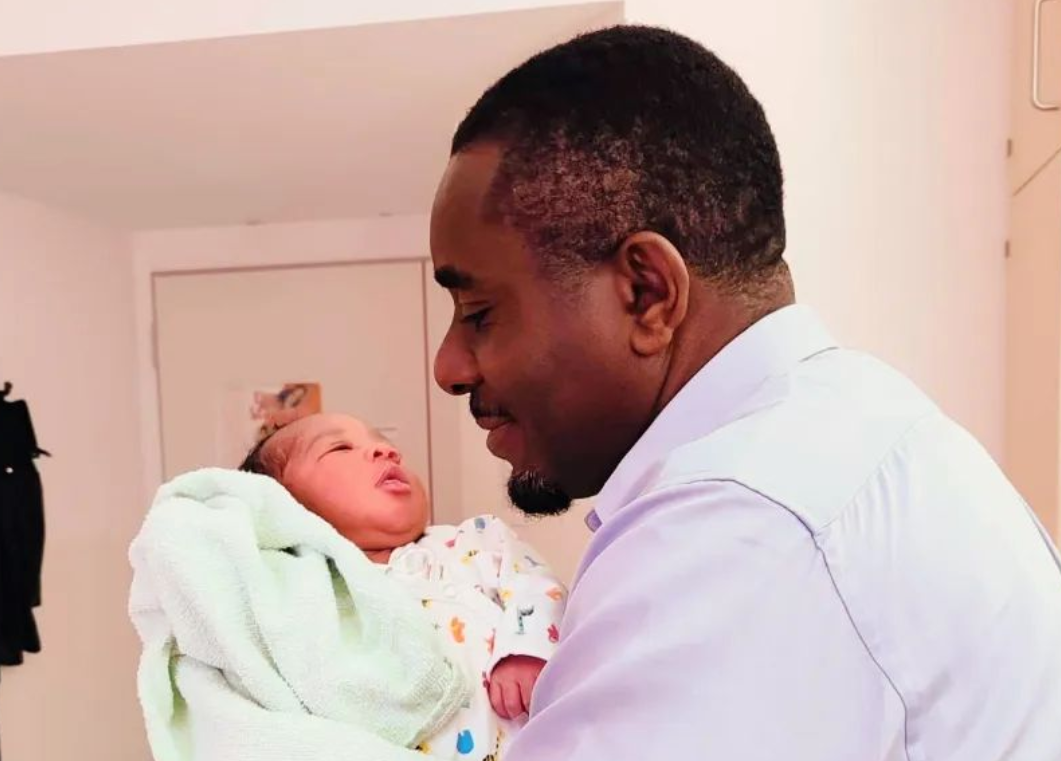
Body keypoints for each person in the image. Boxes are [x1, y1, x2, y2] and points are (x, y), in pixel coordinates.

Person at [429, 24, 1061, 761]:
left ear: (647, 293)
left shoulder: (739, 526)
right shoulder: (859, 433)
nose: (448, 366)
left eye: (479, 313)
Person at [240, 412, 566, 760]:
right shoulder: (309, 588)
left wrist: (525, 651)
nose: (387, 452)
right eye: (340, 448)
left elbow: (539, 588)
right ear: (283, 507)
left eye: (385, 443)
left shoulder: (478, 540)